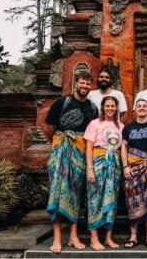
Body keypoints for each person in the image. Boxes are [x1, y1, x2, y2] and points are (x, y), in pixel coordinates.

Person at [44, 71, 98, 253]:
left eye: (87, 84)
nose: (84, 87)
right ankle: (57, 238)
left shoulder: (92, 108)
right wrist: (60, 144)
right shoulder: (62, 102)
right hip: (61, 153)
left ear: (91, 86)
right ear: (76, 83)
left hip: (81, 155)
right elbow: (49, 127)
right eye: (82, 83)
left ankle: (73, 236)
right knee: (58, 193)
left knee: (75, 194)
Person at [121, 99, 147, 249]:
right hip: (132, 170)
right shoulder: (128, 127)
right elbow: (124, 148)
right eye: (139, 106)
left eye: (144, 106)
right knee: (132, 201)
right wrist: (125, 166)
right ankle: (133, 236)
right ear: (135, 109)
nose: (142, 108)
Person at [84, 96, 124, 250]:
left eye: (113, 106)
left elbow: (122, 148)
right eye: (107, 106)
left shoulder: (120, 126)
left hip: (114, 165)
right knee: (95, 199)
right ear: (103, 107)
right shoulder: (95, 123)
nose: (110, 109)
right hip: (98, 162)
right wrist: (90, 168)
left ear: (116, 108)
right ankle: (94, 238)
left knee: (111, 200)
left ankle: (108, 237)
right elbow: (88, 147)